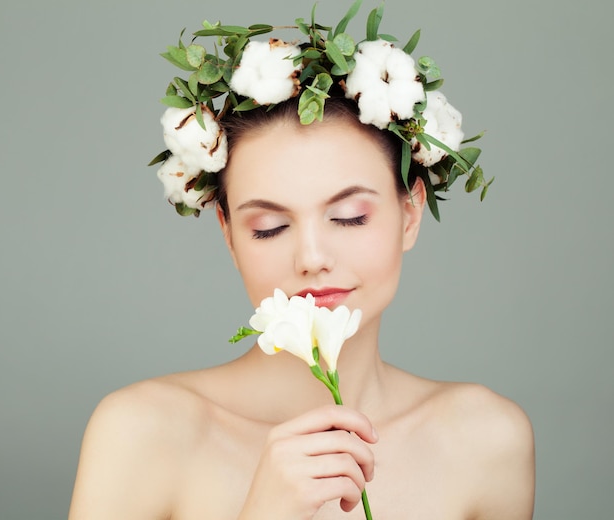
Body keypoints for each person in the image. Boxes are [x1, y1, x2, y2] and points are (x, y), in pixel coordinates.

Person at [69, 4, 535, 519]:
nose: (312, 258)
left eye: (351, 217)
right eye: (269, 227)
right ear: (228, 234)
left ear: (410, 214)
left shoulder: (486, 440)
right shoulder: (142, 433)